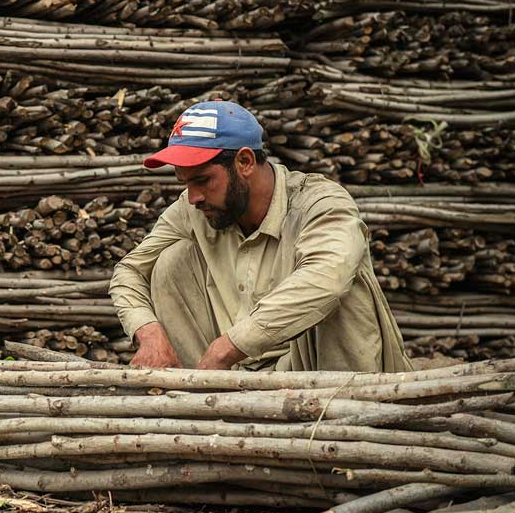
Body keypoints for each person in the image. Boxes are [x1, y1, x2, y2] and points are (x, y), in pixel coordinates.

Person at [110, 100, 410, 373]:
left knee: (338, 285)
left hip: (314, 377)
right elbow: (129, 270)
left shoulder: (320, 203)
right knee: (169, 261)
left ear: (245, 162)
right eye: (185, 182)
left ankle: (346, 405)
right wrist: (148, 333)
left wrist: (229, 346)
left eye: (203, 180)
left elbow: (327, 277)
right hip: (227, 377)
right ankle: (199, 397)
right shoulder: (192, 210)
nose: (193, 197)